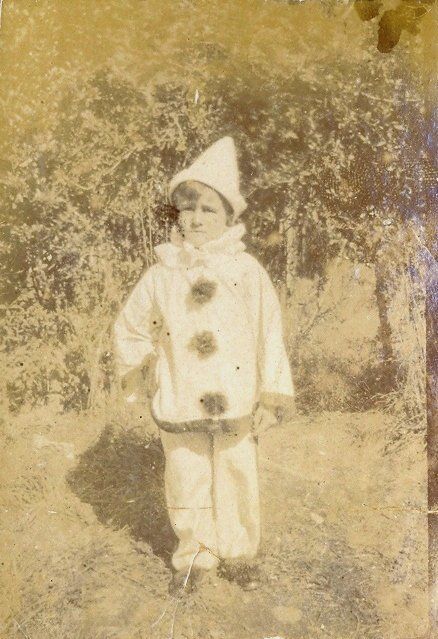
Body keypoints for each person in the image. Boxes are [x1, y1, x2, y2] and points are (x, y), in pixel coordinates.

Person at [114, 136, 294, 594]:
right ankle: (195, 555)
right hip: (181, 391)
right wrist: (142, 366)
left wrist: (272, 393)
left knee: (236, 470)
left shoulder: (246, 271)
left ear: (229, 218)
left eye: (208, 210)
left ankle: (238, 551)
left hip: (236, 395)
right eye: (187, 208)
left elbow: (269, 331)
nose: (195, 219)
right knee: (185, 474)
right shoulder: (162, 274)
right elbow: (132, 325)